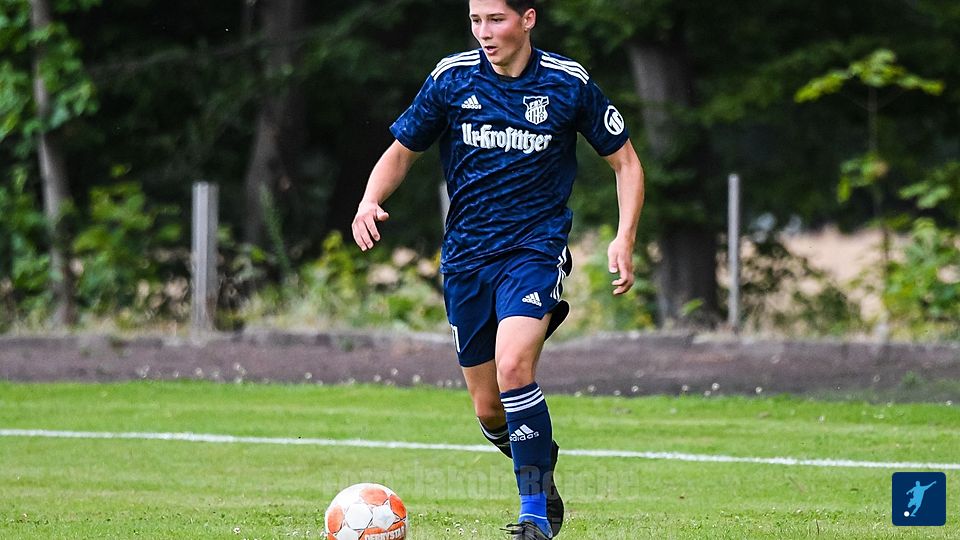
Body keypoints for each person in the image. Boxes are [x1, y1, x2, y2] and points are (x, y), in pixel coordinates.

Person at [351, 0, 645, 537]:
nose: (484, 32)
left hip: (534, 251)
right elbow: (402, 151)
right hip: (466, 259)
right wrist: (370, 200)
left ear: (527, 19)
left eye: (496, 19)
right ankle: (540, 464)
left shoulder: (567, 83)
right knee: (490, 410)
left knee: (514, 368)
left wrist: (624, 237)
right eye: (475, 20)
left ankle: (535, 515)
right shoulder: (452, 78)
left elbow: (625, 162)